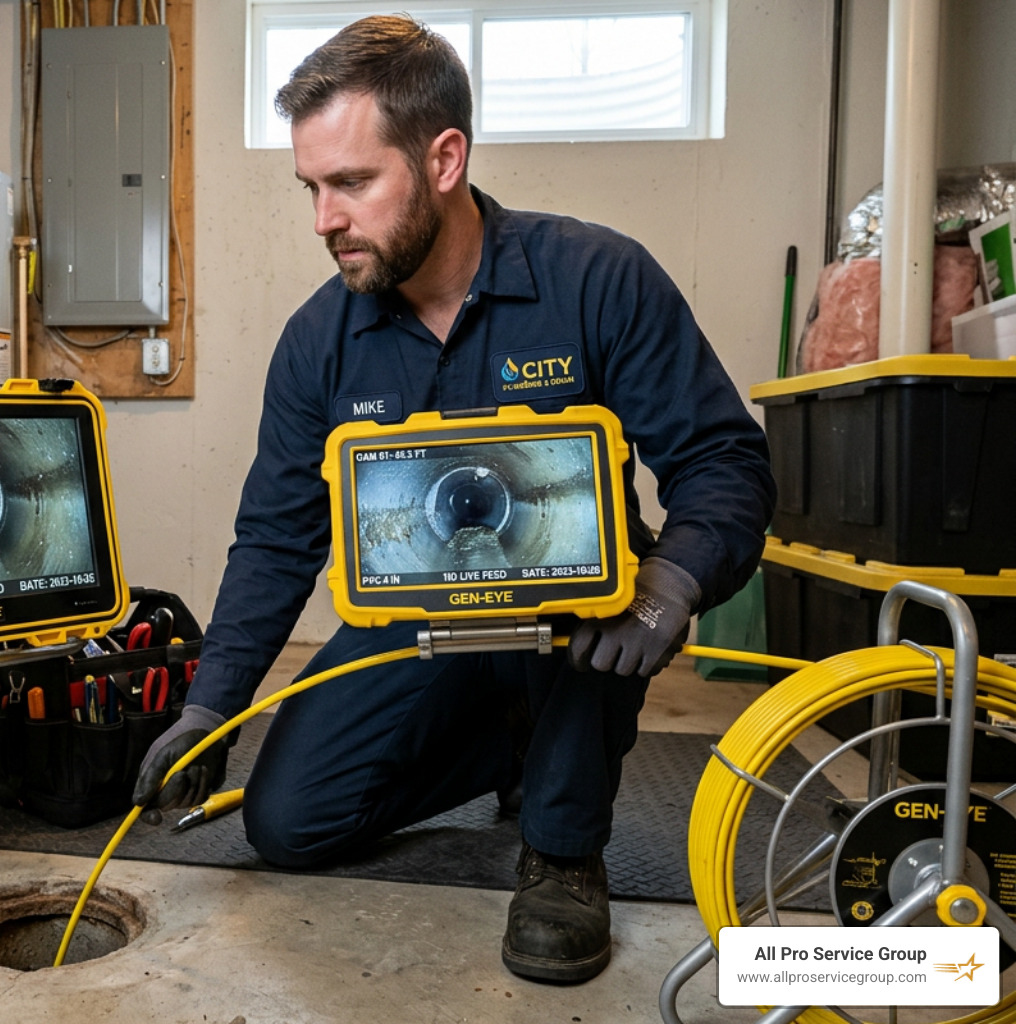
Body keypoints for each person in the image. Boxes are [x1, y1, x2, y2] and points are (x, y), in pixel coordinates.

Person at [133, 14, 775, 984]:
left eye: (352, 183)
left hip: (579, 616)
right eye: (311, 188)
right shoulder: (319, 342)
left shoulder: (597, 281)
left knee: (596, 619)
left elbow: (724, 460)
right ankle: (510, 745)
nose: (324, 220)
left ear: (444, 159)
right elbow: (275, 538)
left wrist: (672, 582)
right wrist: (211, 705)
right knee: (288, 822)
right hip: (417, 620)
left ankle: (561, 847)